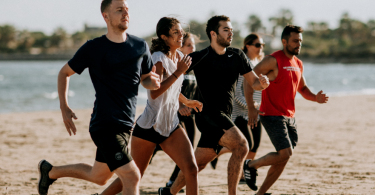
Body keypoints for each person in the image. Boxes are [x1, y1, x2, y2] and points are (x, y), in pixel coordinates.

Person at [37, 1, 161, 195]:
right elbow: (64, 73)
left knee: (99, 176)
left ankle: (50, 171)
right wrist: (64, 107)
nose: (125, 13)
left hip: (126, 124)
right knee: (132, 176)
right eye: (119, 10)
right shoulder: (93, 48)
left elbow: (145, 78)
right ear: (106, 16)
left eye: (127, 10)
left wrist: (151, 83)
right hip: (104, 124)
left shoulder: (140, 46)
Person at [160, 15, 270, 195]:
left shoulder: (237, 55)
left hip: (224, 115)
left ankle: (169, 192)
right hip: (207, 114)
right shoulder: (199, 57)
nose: (230, 33)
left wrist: (263, 83)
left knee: (199, 163)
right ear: (213, 33)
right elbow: (171, 79)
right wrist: (182, 103)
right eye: (226, 30)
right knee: (242, 146)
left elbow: (254, 82)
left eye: (231, 30)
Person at [99, 17, 203, 195]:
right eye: (176, 33)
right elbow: (155, 92)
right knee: (134, 176)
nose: (181, 36)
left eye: (182, 32)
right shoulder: (158, 59)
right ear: (164, 37)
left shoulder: (179, 57)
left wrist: (186, 101)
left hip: (171, 124)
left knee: (191, 170)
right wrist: (179, 72)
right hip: (149, 127)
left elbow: (172, 89)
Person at [243, 25, 329, 195]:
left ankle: (260, 193)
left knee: (283, 158)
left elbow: (302, 89)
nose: (299, 44)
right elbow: (248, 79)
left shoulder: (298, 63)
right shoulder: (272, 60)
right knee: (285, 153)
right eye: (295, 41)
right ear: (284, 41)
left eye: (300, 41)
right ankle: (251, 165)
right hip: (272, 114)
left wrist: (315, 98)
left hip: (290, 116)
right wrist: (252, 108)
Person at [211, 34, 265, 178]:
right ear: (248, 45)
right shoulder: (244, 63)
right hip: (241, 113)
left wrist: (259, 106)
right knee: (246, 144)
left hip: (256, 111)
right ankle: (219, 151)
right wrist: (250, 106)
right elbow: (236, 93)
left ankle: (243, 174)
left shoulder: (258, 63)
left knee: (255, 145)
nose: (261, 48)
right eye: (258, 45)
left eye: (262, 45)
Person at [165, 32, 202, 188]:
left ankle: (173, 180)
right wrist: (180, 106)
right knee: (157, 147)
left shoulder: (194, 67)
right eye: (188, 45)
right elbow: (168, 88)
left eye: (193, 45)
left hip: (189, 115)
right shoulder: (176, 65)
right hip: (173, 113)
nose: (192, 48)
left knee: (188, 150)